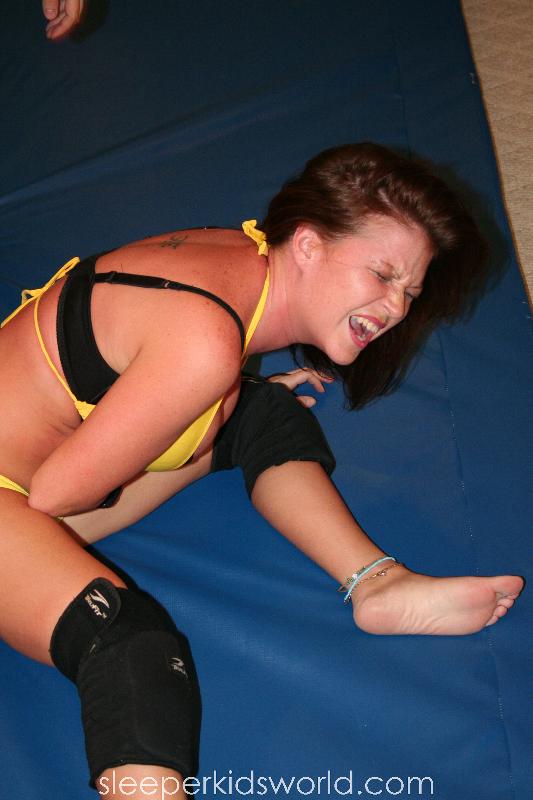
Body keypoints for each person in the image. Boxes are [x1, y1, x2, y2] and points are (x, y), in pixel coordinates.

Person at [0, 143, 523, 799]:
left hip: (32, 460)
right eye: (382, 275)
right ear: (306, 245)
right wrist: (199, 413)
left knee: (259, 409)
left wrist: (216, 405)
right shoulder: (204, 345)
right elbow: (55, 495)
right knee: (130, 647)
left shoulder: (241, 253)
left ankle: (378, 585)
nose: (394, 308)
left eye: (409, 291)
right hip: (28, 494)